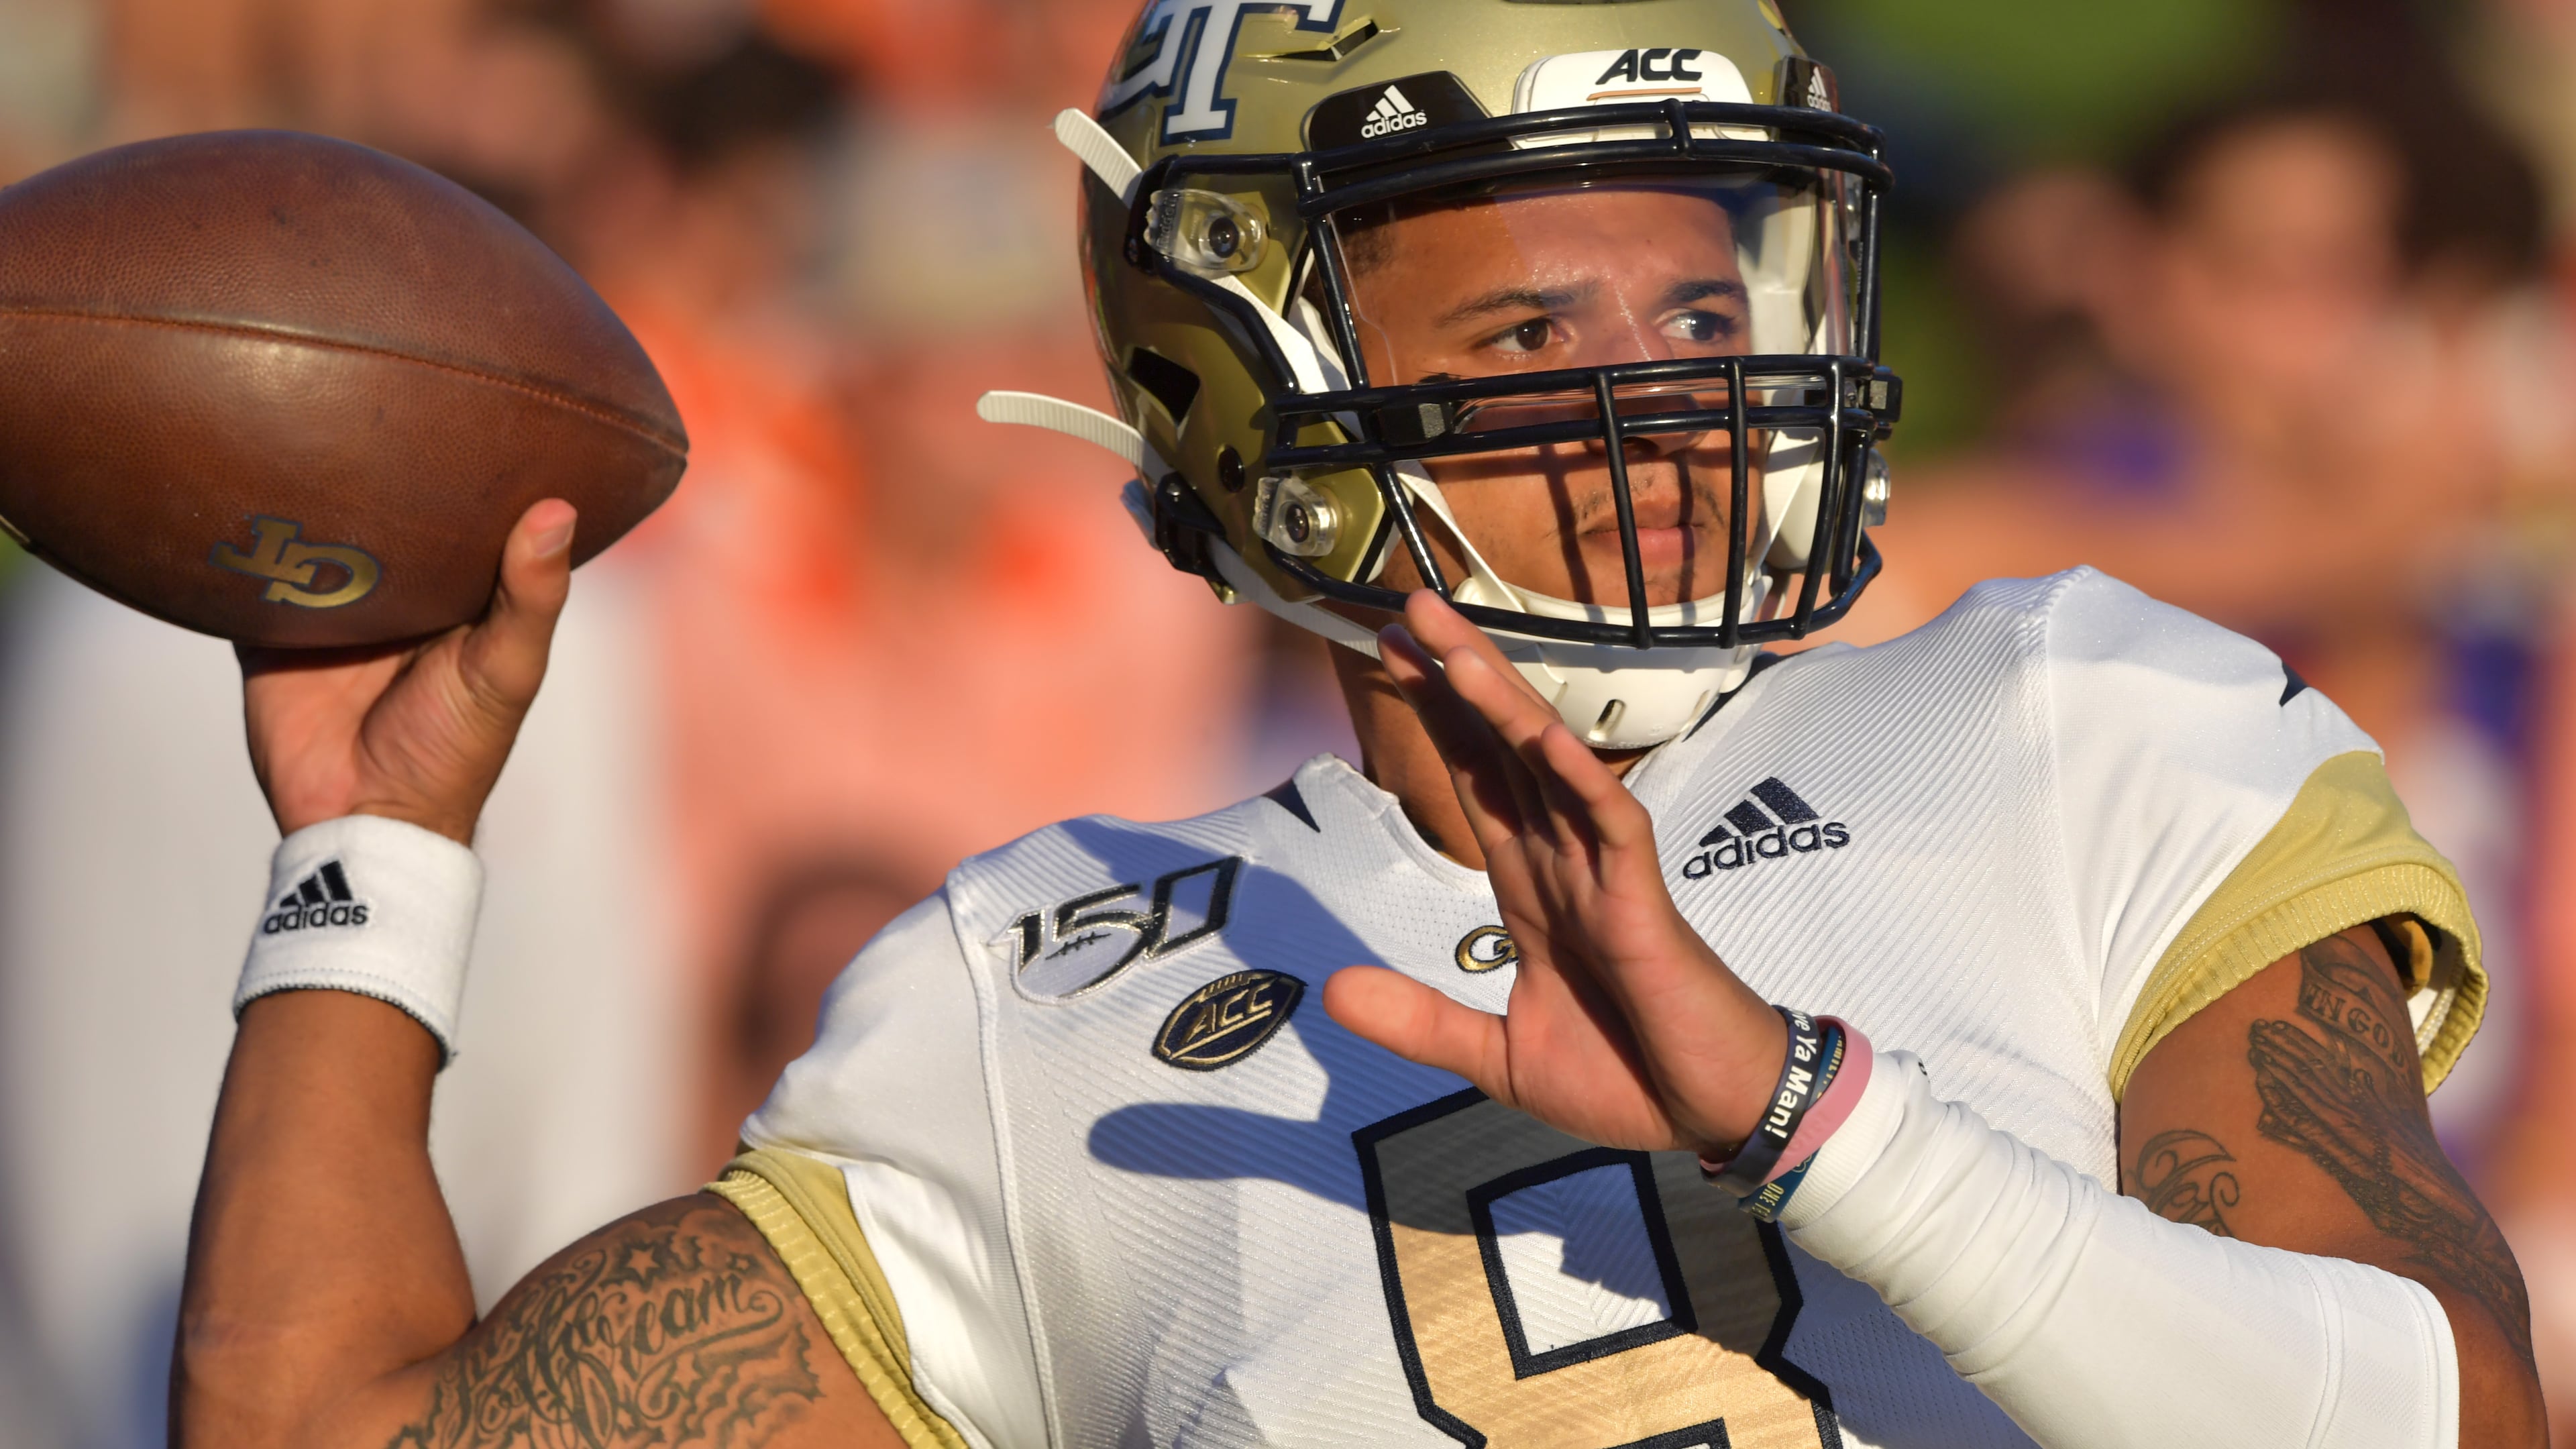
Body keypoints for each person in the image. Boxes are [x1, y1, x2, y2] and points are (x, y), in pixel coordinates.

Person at [172, 3, 2544, 1446]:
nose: (1679, 390)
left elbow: (2445, 1428)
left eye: (1707, 296)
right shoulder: (1036, 987)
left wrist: (1809, 1124)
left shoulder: (2085, 720)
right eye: (1537, 339)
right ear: (1250, 395)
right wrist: (364, 869)